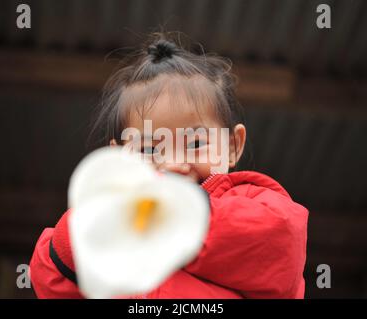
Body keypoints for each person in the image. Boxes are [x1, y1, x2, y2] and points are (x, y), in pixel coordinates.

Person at [29, 32, 309, 299]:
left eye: (196, 144)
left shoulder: (254, 202)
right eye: (149, 149)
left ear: (233, 145)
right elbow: (50, 275)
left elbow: (281, 245)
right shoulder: (121, 222)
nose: (173, 164)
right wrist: (94, 218)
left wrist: (180, 213)